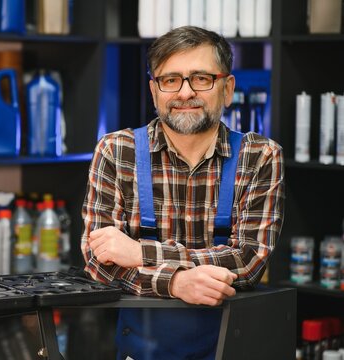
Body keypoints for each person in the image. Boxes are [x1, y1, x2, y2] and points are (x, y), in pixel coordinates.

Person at [81, 26, 285, 359]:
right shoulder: (116, 150)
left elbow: (248, 261)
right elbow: (97, 262)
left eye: (201, 78)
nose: (185, 92)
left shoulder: (260, 155)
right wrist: (177, 283)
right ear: (154, 90)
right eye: (170, 79)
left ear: (228, 88)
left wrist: (138, 254)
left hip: (229, 348)